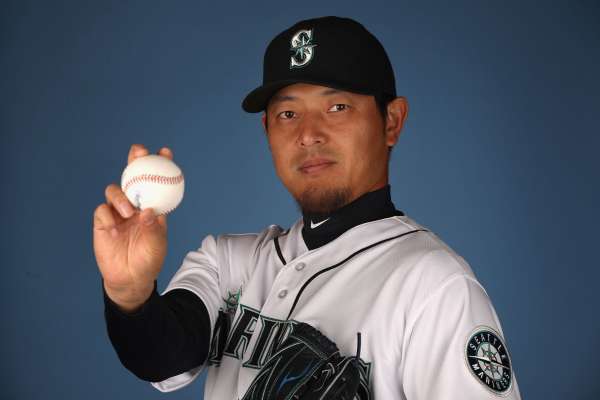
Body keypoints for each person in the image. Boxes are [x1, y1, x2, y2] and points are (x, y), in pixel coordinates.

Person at [93, 16, 521, 399]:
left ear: (391, 121)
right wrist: (129, 293)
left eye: (337, 107)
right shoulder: (226, 262)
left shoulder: (434, 286)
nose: (309, 134)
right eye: (288, 113)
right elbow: (161, 358)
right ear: (267, 130)